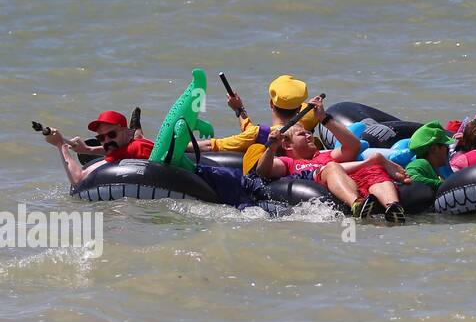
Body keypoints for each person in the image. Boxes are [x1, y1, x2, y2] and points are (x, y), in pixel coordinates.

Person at [43, 109, 253, 207]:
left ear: (126, 133)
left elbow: (78, 178)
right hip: (206, 172)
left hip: (214, 181)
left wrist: (60, 145)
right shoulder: (133, 146)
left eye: (112, 134)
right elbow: (115, 150)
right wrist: (89, 151)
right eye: (101, 137)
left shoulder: (130, 151)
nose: (106, 141)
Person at [255, 96, 409, 223]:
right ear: (287, 145)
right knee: (332, 167)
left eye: (309, 132)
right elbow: (263, 171)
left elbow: (353, 146)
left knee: (374, 170)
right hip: (330, 188)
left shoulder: (326, 155)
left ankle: (393, 207)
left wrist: (324, 119)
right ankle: (356, 205)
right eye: (302, 134)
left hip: (352, 182)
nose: (309, 135)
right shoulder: (288, 162)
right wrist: (271, 148)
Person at [198, 75, 318, 155]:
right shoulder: (306, 133)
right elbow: (252, 134)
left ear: (271, 103)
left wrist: (180, 144)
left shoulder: (261, 134)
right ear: (299, 109)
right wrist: (239, 109)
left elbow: (211, 146)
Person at [403, 121, 455, 187]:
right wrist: (441, 185)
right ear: (434, 149)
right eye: (446, 146)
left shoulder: (431, 167)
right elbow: (411, 176)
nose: (447, 150)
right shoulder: (420, 163)